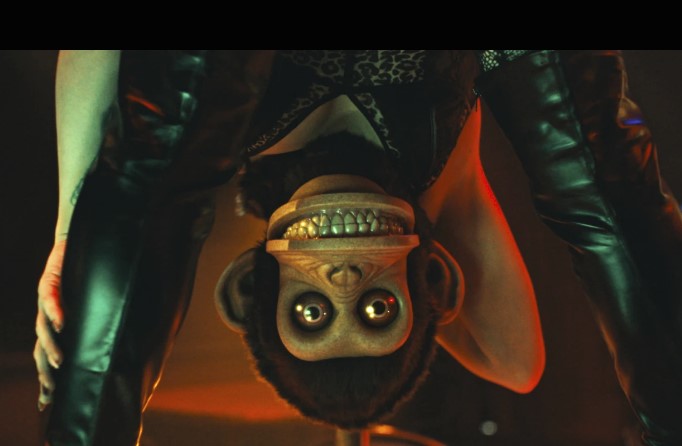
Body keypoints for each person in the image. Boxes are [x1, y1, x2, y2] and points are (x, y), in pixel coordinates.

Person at [35, 50, 681, 446]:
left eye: (312, 314)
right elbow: (518, 364)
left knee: (158, 167)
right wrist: (424, 276)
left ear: (255, 287)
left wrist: (70, 236)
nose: (345, 281)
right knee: (600, 184)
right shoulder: (444, 188)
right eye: (378, 311)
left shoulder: (210, 134)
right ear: (430, 280)